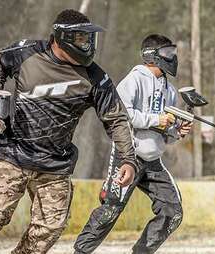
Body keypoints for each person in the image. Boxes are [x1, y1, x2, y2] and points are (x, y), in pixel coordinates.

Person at [0, 9, 137, 254]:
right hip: (11, 153)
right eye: (81, 39)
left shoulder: (96, 77)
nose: (87, 45)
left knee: (49, 228)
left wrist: (128, 160)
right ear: (60, 38)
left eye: (89, 39)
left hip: (55, 164)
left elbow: (116, 119)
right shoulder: (25, 52)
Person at [74, 34, 192, 254]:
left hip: (153, 161)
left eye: (173, 53)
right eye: (168, 53)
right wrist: (157, 119)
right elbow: (122, 115)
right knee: (110, 210)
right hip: (127, 156)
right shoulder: (135, 79)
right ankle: (80, 252)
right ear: (151, 55)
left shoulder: (170, 90)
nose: (172, 58)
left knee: (173, 211)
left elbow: (165, 130)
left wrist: (177, 131)